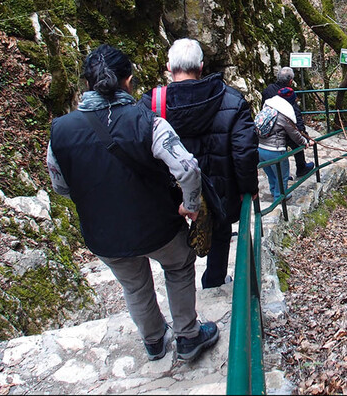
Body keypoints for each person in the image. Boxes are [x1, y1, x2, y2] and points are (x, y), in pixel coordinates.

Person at [46, 44, 219, 363]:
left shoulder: (60, 131)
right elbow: (188, 168)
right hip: (159, 226)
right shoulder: (148, 122)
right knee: (179, 267)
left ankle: (154, 342)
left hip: (104, 235)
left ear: (86, 84)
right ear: (128, 80)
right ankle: (188, 335)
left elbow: (61, 187)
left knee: (134, 285)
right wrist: (190, 204)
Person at [139, 38, 259, 289]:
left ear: (169, 66)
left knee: (174, 237)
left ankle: (180, 293)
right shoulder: (231, 100)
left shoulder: (152, 104)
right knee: (220, 231)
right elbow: (244, 151)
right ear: (202, 66)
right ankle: (214, 280)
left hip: (171, 193)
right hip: (218, 187)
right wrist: (249, 187)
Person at [258, 87, 312, 201]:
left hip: (260, 148)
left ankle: (273, 191)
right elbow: (294, 134)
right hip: (275, 150)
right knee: (282, 174)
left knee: (271, 173)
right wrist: (305, 142)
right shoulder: (283, 115)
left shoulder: (267, 108)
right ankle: (280, 196)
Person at [261, 67, 314, 177]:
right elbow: (296, 114)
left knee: (280, 149)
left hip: (270, 127)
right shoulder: (288, 94)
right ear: (290, 81)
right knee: (296, 144)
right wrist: (304, 135)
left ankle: (281, 174)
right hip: (284, 126)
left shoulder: (268, 90)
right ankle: (301, 168)